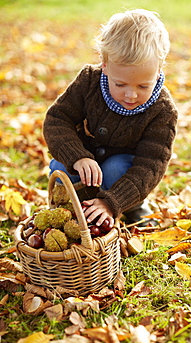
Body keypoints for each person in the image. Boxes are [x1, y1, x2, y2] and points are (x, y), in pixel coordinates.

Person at [43, 9, 178, 229]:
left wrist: (111, 202)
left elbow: (151, 165)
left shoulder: (162, 110)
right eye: (120, 84)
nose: (131, 95)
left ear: (158, 71)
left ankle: (131, 208)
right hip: (86, 162)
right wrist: (78, 157)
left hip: (124, 173)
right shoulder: (89, 82)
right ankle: (69, 211)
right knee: (61, 164)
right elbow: (58, 119)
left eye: (143, 86)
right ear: (104, 65)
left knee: (116, 168)